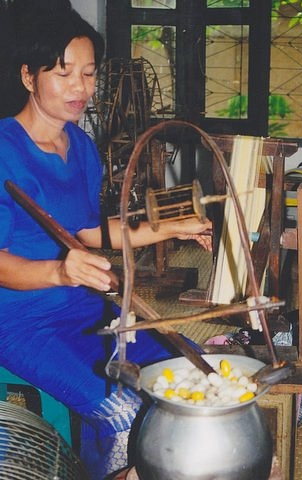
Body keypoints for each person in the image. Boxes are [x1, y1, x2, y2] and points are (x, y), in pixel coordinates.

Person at [0, 1, 211, 478]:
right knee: (123, 413)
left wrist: (169, 227)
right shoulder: (3, 150)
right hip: (22, 323)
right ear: (28, 76)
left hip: (85, 309)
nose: (81, 88)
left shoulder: (80, 146)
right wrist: (58, 270)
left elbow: (91, 233)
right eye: (64, 73)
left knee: (178, 377)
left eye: (90, 74)